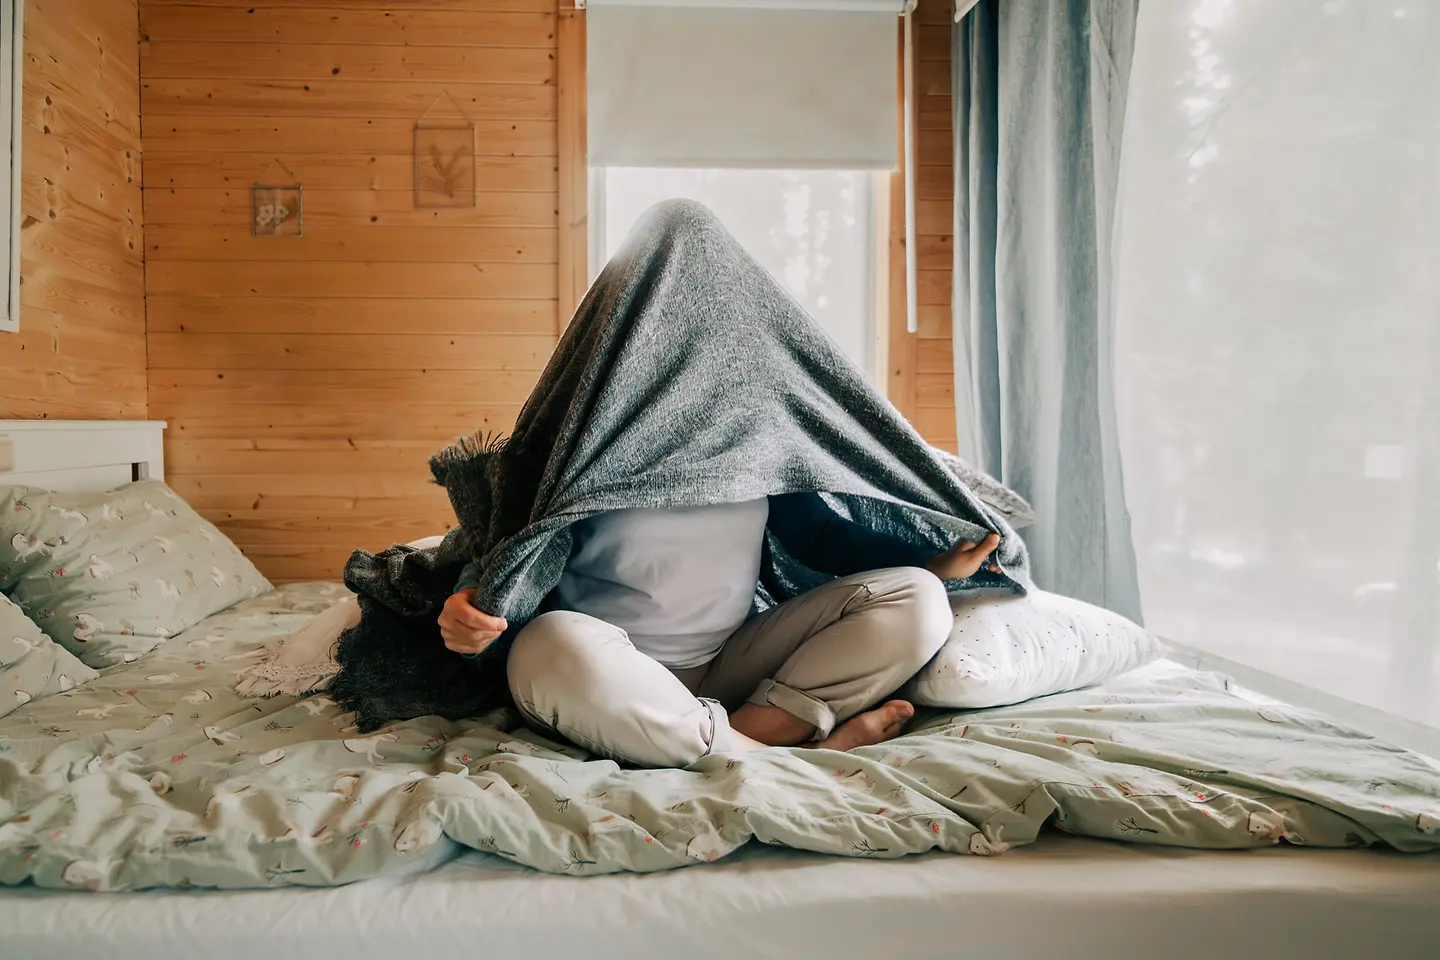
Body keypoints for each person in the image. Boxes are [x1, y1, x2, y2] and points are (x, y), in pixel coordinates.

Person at [437, 491, 1001, 769]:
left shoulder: (748, 439)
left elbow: (825, 538)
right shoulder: (586, 440)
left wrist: (935, 565)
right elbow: (513, 544)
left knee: (917, 597)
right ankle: (802, 755)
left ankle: (748, 741)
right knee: (548, 641)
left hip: (730, 666)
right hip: (611, 681)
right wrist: (472, 602)